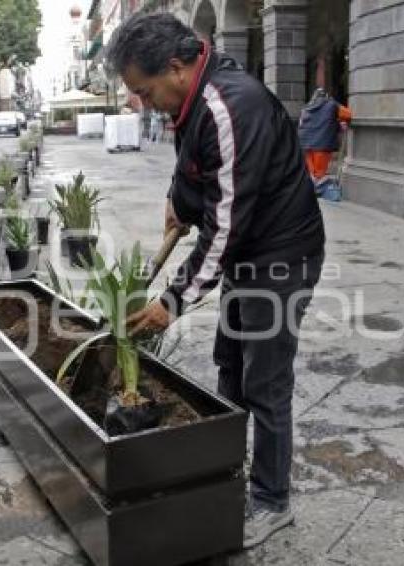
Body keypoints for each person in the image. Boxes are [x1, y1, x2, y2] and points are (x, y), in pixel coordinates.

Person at [107, 13, 325, 549]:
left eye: (143, 90)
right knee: (230, 361)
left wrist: (173, 301)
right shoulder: (192, 97)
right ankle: (229, 463)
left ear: (176, 68)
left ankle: (272, 501)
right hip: (246, 252)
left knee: (266, 382)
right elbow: (195, 165)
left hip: (279, 255)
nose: (141, 101)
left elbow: (226, 226)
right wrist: (177, 203)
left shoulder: (232, 104)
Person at [297, 88, 351, 197]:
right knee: (319, 173)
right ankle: (320, 192)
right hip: (321, 144)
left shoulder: (306, 108)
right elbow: (348, 114)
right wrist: (339, 123)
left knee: (311, 172)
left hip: (305, 144)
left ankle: (310, 191)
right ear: (326, 96)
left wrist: (336, 124)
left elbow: (304, 124)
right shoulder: (331, 104)